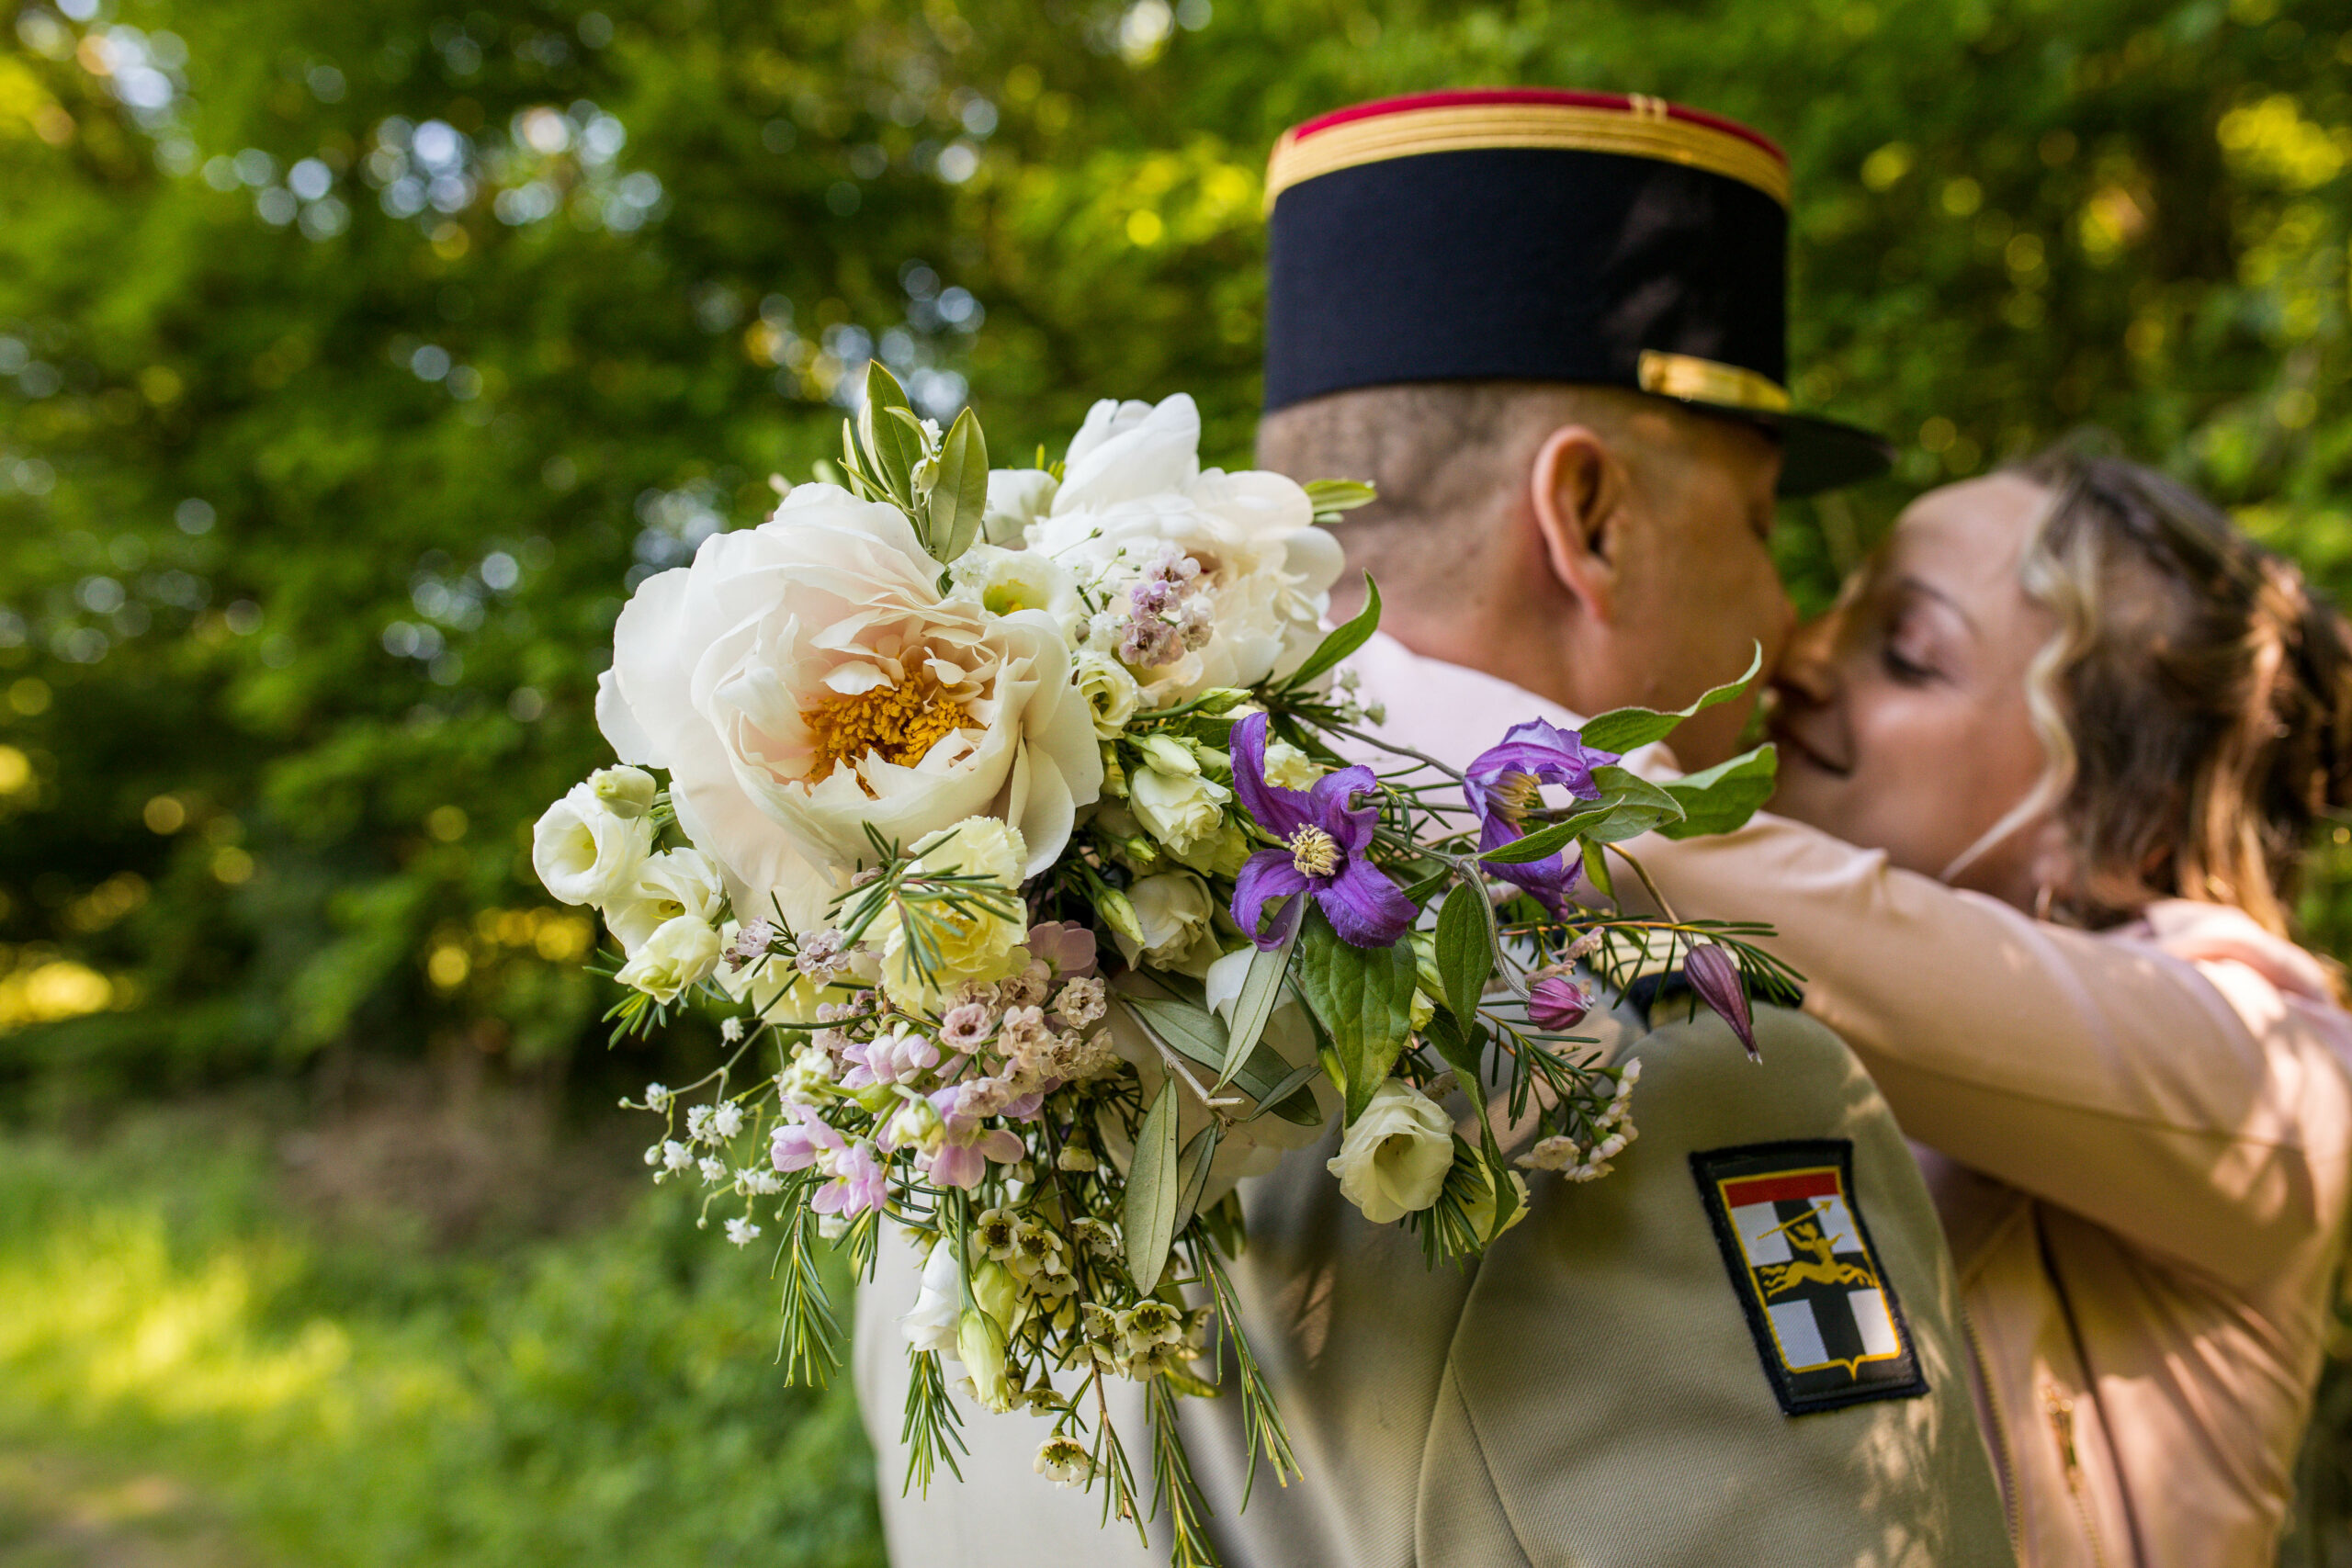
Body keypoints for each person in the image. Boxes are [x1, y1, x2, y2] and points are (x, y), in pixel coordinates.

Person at [858, 89, 2016, 1566]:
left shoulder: (948, 1050)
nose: (1787, 615)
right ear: (1590, 517)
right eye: (1759, 519)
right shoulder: (1650, 1062)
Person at [1618, 451, 2352, 1566]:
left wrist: (1392, 721)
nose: (1804, 653)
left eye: (1906, 654)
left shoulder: (2271, 1073)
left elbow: (1727, 887)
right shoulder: (1768, 1025)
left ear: (2116, 822)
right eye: (1847, 606)